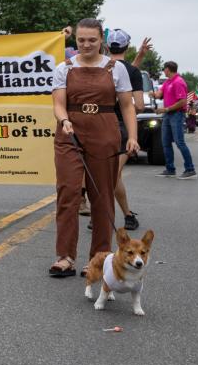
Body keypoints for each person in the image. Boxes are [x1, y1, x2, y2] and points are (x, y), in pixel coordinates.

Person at [49, 18, 139, 278]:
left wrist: (132, 136)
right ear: (75, 40)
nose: (86, 44)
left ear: (101, 40)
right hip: (70, 132)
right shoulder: (64, 68)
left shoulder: (116, 68)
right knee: (68, 191)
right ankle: (65, 256)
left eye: (92, 40)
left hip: (105, 131)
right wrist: (64, 119)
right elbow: (58, 103)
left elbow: (127, 106)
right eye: (81, 40)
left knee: (102, 195)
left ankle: (98, 258)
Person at [103, 29, 142, 230]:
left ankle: (119, 215)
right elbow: (140, 105)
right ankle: (121, 215)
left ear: (107, 46)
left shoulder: (102, 66)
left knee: (109, 174)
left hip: (101, 124)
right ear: (127, 47)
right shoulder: (132, 72)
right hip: (122, 127)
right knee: (112, 174)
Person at [154, 61, 196, 179]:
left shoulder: (178, 82)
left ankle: (190, 169)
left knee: (179, 142)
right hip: (168, 115)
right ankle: (170, 169)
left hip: (176, 114)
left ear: (168, 69)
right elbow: (159, 94)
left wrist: (166, 109)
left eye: (164, 69)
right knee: (165, 142)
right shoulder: (168, 82)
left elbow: (183, 101)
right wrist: (154, 94)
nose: (163, 71)